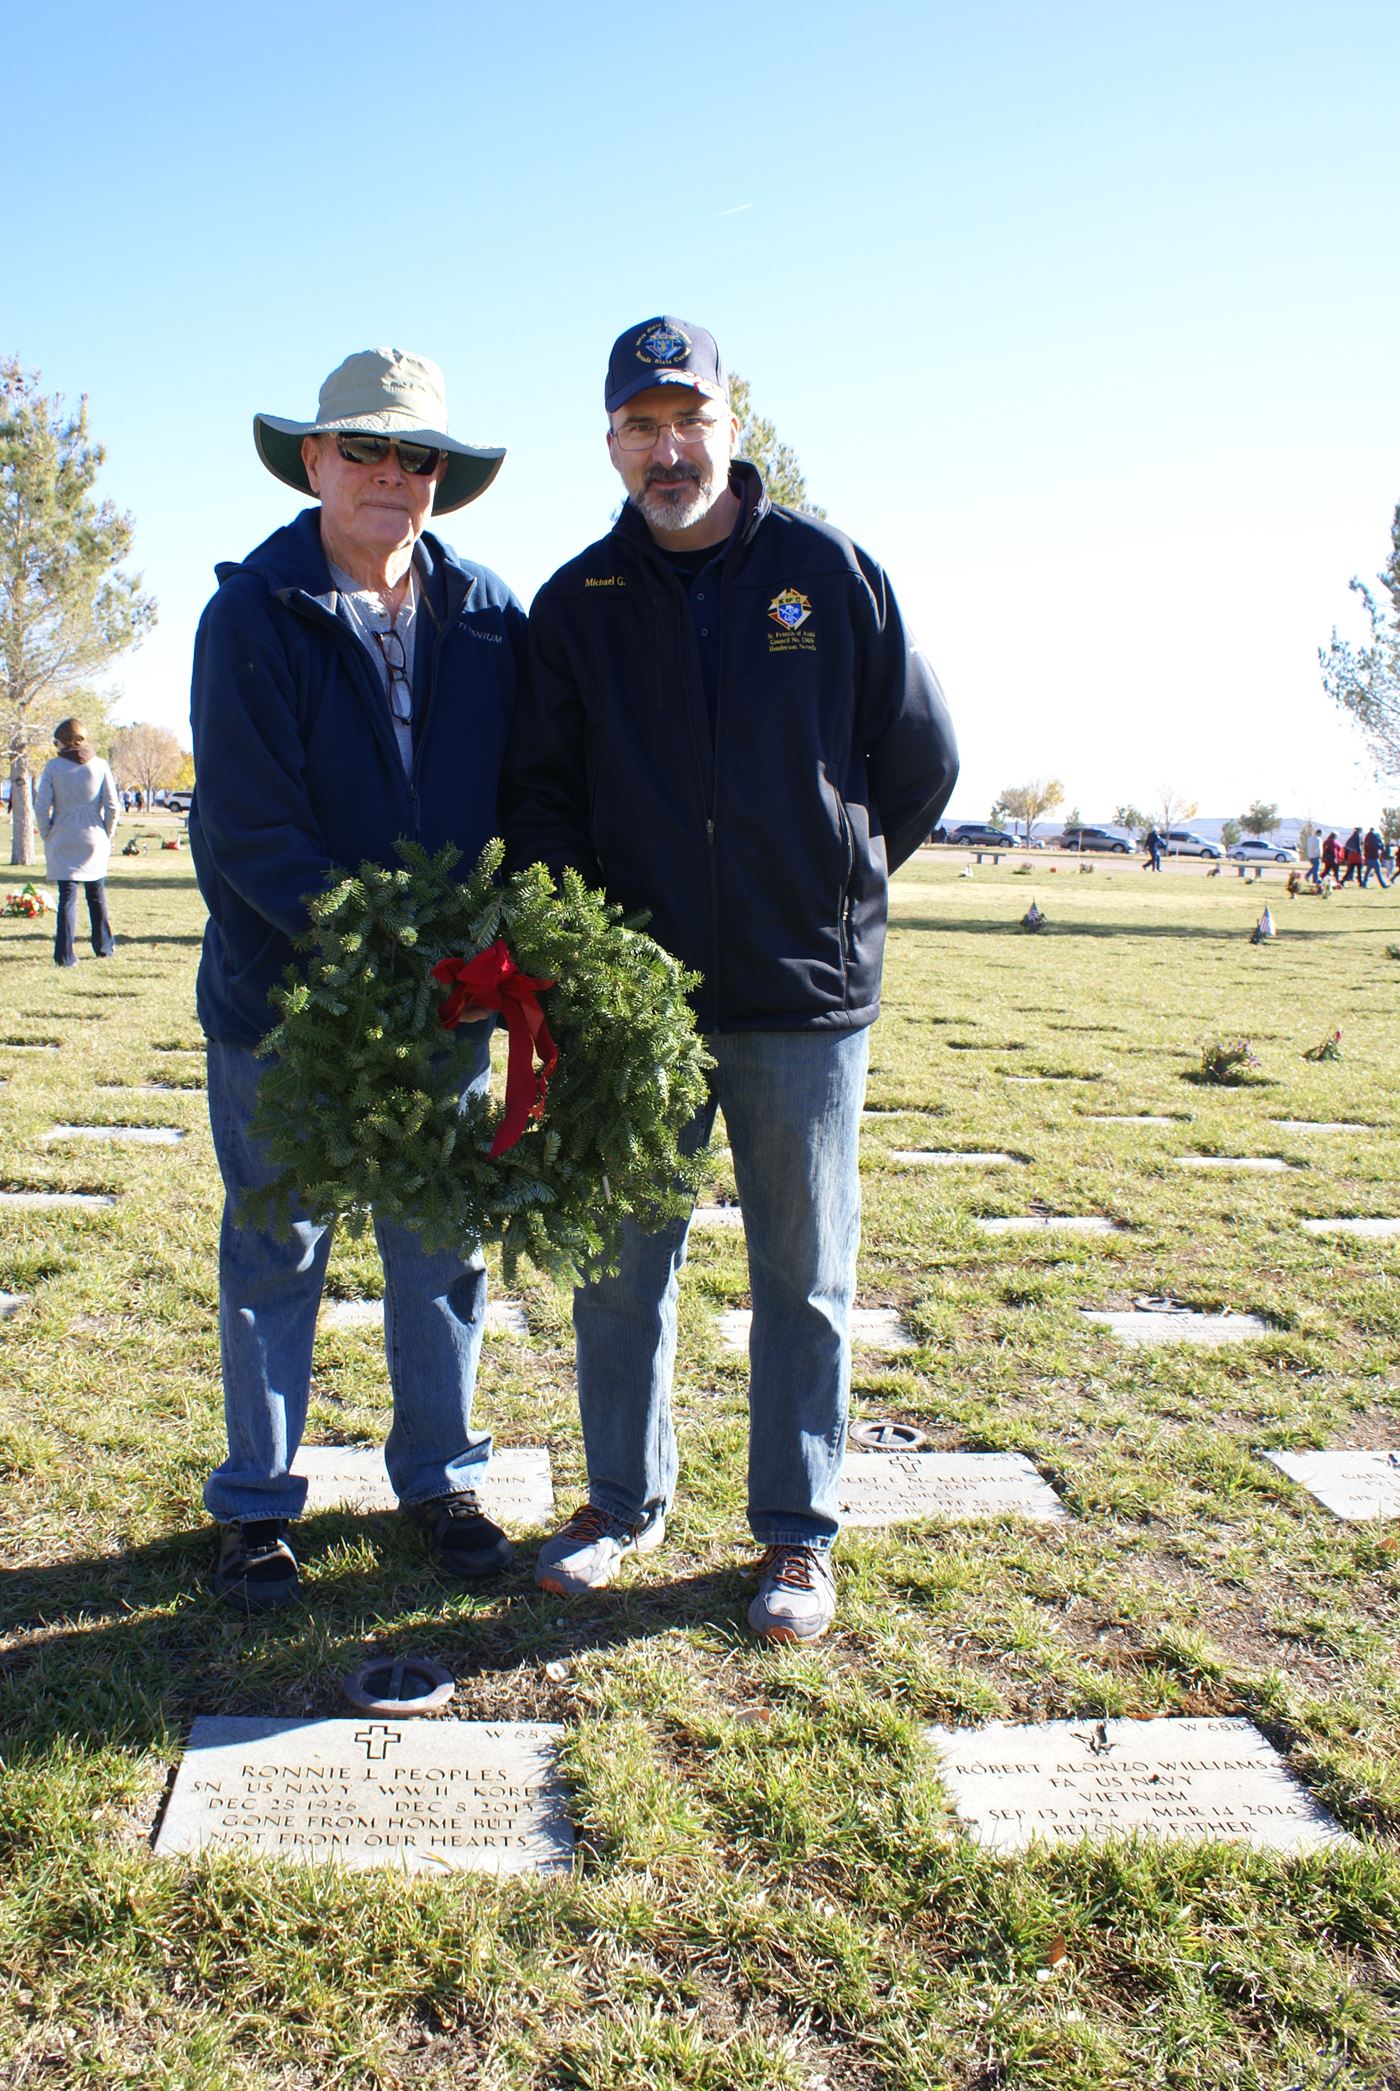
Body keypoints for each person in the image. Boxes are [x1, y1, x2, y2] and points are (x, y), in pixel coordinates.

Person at [503, 316, 958, 1643]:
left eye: (688, 418)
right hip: (636, 1009)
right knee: (619, 1268)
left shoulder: (828, 571)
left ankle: (797, 1534)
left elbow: (919, 758)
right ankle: (622, 1502)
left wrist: (835, 880)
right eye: (640, 427)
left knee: (804, 1274)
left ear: (731, 423)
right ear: (610, 443)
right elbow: (540, 797)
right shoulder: (574, 604)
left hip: (798, 998)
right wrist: (584, 946)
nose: (667, 447)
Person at [189, 348, 525, 1611]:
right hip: (287, 1001)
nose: (393, 474)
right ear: (315, 460)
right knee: (276, 1240)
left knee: (439, 1246)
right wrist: (381, 957)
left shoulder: (490, 614)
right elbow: (249, 832)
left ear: (441, 477)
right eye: (367, 450)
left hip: (449, 1006)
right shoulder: (251, 615)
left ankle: (439, 1481)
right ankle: (259, 1507)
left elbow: (527, 799)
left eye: (417, 457)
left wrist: (491, 953)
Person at [35, 718, 120, 965]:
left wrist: (47, 832)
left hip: (62, 834)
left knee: (67, 898)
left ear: (63, 741)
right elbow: (113, 806)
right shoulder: (100, 765)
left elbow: (41, 807)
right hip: (94, 835)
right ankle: (104, 947)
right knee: (96, 894)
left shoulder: (53, 767)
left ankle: (65, 955)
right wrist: (107, 833)